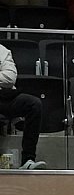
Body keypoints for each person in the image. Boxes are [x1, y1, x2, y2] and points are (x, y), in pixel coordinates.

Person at [0, 41, 46, 170]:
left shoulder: (2, 50)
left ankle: (28, 160)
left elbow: (9, 78)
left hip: (4, 96)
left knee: (33, 104)